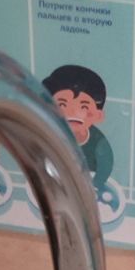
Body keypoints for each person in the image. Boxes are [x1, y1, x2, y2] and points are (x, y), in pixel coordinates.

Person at [43, 65, 113, 193]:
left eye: (84, 107)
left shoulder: (99, 144)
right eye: (62, 104)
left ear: (98, 115)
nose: (73, 112)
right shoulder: (49, 136)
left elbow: (105, 166)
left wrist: (96, 184)